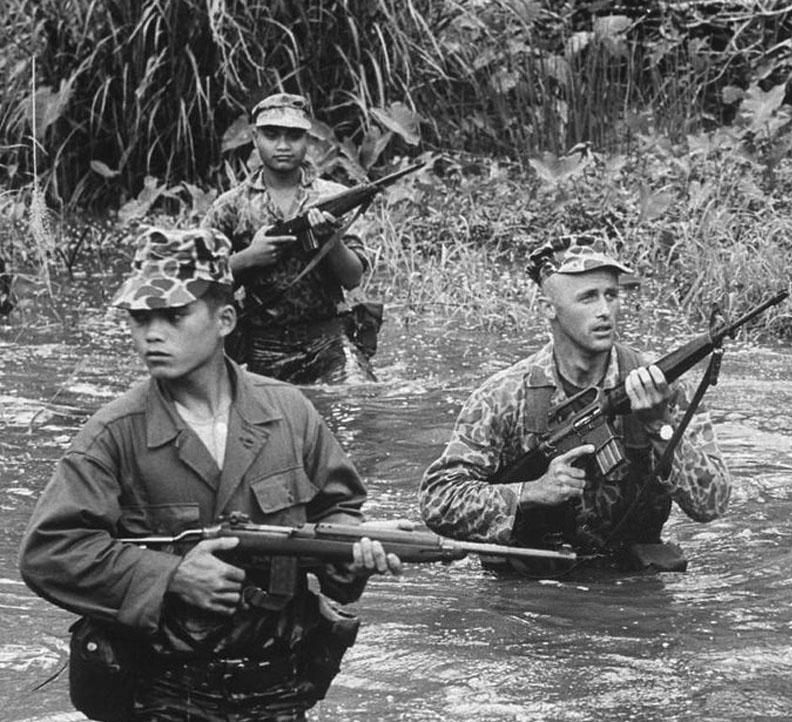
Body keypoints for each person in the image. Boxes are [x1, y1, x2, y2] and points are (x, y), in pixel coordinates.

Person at [19, 227, 403, 721]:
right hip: (162, 693)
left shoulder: (289, 412)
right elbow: (49, 552)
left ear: (224, 319)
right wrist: (171, 576)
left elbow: (336, 512)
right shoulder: (114, 434)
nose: (152, 333)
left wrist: (358, 547)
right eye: (140, 318)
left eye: (175, 315)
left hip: (278, 691)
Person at [419, 239, 731, 573]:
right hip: (530, 588)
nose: (604, 311)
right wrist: (530, 492)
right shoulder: (505, 396)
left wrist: (660, 425)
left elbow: (711, 504)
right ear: (548, 307)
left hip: (633, 585)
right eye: (587, 297)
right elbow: (439, 500)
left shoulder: (658, 386)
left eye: (611, 295)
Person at [202, 92, 375, 385]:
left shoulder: (333, 198)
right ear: (255, 137)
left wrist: (330, 241)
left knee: (358, 397)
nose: (283, 146)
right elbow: (198, 280)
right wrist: (249, 258)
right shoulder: (230, 206)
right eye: (271, 135)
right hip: (261, 346)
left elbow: (353, 278)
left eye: (294, 136)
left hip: (328, 340)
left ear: (307, 140)